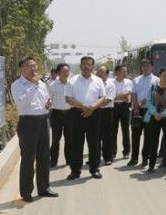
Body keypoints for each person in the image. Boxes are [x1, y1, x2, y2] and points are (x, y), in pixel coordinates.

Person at [11, 56, 58, 202]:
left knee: (44, 157)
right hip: (28, 123)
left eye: (34, 66)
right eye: (30, 66)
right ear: (22, 68)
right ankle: (26, 191)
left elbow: (46, 100)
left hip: (43, 120)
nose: (33, 69)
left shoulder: (41, 84)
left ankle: (44, 188)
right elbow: (22, 103)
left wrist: (48, 104)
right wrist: (32, 84)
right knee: (28, 158)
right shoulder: (17, 85)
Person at [65, 56, 107, 180]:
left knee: (94, 143)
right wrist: (83, 106)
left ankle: (94, 169)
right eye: (84, 64)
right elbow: (68, 99)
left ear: (93, 66)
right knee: (76, 143)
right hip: (76, 114)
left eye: (89, 64)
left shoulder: (98, 81)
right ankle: (75, 170)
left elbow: (103, 97)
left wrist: (92, 108)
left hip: (94, 113)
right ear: (80, 66)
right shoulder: (72, 80)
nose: (86, 67)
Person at [143, 66, 166, 173]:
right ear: (159, 75)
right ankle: (151, 165)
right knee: (153, 141)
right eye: (163, 75)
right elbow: (148, 101)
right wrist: (155, 113)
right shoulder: (153, 87)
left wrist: (163, 114)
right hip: (154, 117)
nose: (165, 78)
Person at [127, 59, 159, 166]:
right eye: (144, 66)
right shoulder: (136, 79)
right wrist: (136, 105)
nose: (145, 68)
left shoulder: (157, 80)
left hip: (149, 110)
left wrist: (145, 101)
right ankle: (134, 158)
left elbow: (156, 94)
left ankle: (145, 158)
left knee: (148, 135)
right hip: (137, 110)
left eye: (148, 66)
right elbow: (133, 93)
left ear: (152, 67)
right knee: (135, 135)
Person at [48, 63, 71, 167]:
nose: (66, 73)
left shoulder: (72, 84)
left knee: (69, 139)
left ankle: (69, 160)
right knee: (55, 139)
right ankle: (53, 160)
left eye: (67, 71)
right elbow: (49, 99)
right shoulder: (52, 85)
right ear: (58, 73)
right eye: (63, 71)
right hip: (56, 114)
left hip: (69, 114)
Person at [111, 64, 133, 160]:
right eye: (124, 71)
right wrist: (118, 97)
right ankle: (112, 152)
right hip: (113, 107)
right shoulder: (110, 82)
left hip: (124, 107)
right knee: (113, 131)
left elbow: (127, 93)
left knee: (125, 130)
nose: (126, 73)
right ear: (118, 72)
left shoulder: (128, 82)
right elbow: (110, 95)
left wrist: (114, 97)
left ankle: (126, 152)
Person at [96, 66, 116, 165]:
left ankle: (107, 158)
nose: (99, 74)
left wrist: (94, 104)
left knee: (107, 136)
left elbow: (107, 100)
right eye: (98, 72)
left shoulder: (110, 85)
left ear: (107, 74)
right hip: (95, 111)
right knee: (95, 136)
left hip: (107, 112)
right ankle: (95, 158)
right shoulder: (93, 84)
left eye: (102, 72)